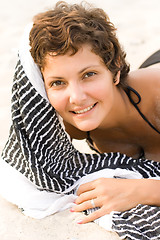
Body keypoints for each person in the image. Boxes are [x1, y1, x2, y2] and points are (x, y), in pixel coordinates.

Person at [1, 1, 160, 239]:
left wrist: (144, 190)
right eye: (58, 82)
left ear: (115, 69)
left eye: (88, 75)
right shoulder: (66, 126)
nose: (76, 98)